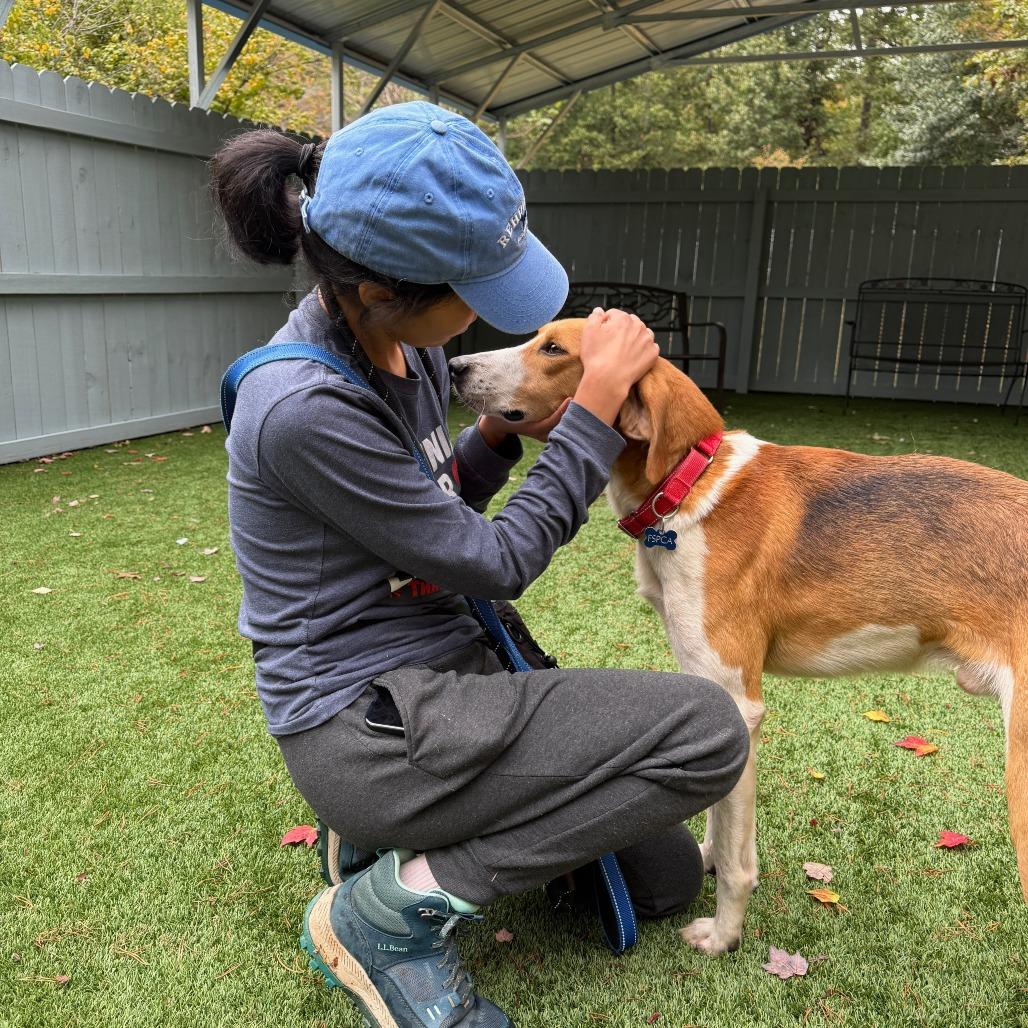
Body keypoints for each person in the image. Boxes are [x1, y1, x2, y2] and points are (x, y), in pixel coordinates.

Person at [212, 102, 748, 1028]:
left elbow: (434, 512)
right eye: (477, 286)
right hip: (370, 724)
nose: (502, 311)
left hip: (443, 676)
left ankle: (397, 840)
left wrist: (502, 428)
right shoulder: (299, 405)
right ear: (383, 287)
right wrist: (591, 417)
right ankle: (386, 912)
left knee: (659, 880)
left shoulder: (407, 349)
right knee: (708, 732)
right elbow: (490, 560)